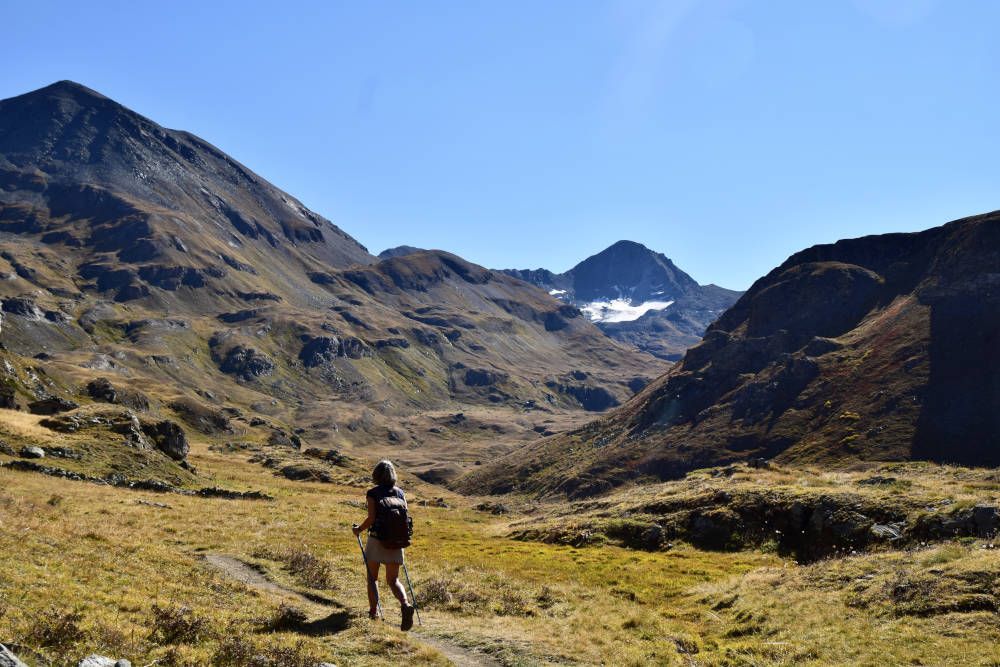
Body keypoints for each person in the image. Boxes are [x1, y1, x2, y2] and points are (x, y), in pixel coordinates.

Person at [353, 459, 415, 630]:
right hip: (397, 541)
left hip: (377, 539)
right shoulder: (400, 493)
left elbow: (371, 518)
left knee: (372, 578)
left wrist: (358, 529)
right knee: (393, 579)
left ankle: (373, 612)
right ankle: (405, 604)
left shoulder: (373, 493)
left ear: (376, 475)